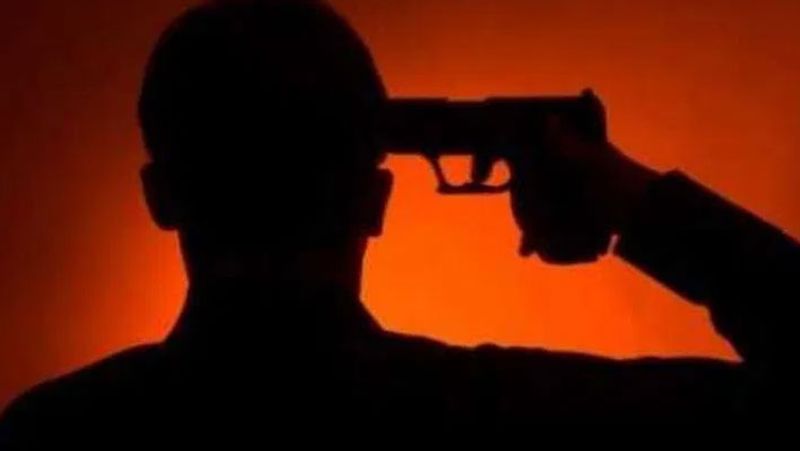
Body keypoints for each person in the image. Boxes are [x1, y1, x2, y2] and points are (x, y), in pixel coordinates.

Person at [0, 0, 795, 442]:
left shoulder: (52, 438)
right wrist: (634, 199)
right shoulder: (513, 418)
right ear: (375, 200)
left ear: (160, 196)